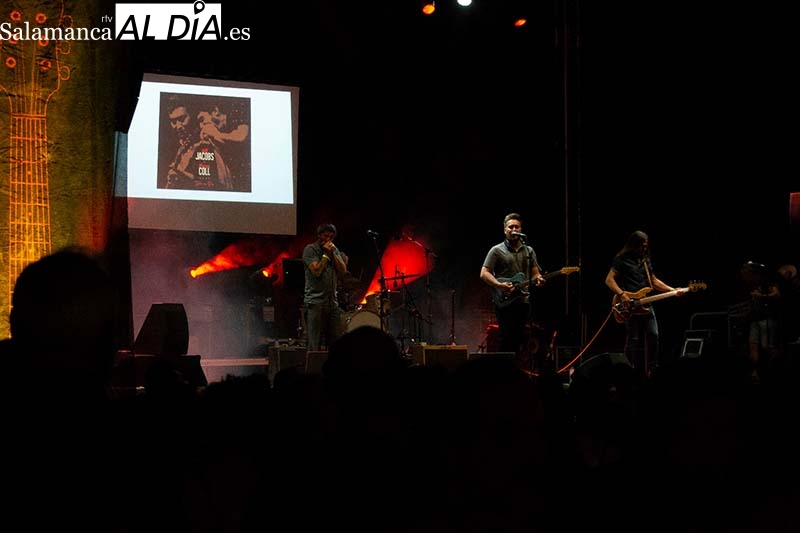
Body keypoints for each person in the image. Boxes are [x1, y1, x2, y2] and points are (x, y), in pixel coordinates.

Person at [605, 230, 682, 376]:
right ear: (633, 245)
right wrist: (622, 295)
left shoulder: (645, 260)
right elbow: (609, 280)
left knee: (654, 335)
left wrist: (673, 290)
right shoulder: (621, 258)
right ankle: (627, 372)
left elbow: (653, 281)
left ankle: (652, 370)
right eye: (641, 246)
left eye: (646, 246)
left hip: (646, 303)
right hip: (630, 305)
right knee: (633, 339)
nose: (643, 249)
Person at [480, 212, 545, 369]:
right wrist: (499, 285)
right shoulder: (496, 250)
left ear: (521, 229)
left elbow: (535, 272)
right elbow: (484, 273)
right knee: (507, 337)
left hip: (523, 301)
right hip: (504, 300)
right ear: (505, 230)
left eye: (516, 226)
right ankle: (503, 371)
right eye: (511, 227)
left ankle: (517, 370)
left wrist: (539, 279)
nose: (513, 229)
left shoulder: (528, 251)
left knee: (522, 338)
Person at [303, 223, 349, 351]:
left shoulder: (334, 249)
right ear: (319, 235)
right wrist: (325, 255)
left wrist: (333, 253)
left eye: (331, 237)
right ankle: (312, 369)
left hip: (332, 303)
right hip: (315, 302)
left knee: (335, 343)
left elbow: (343, 271)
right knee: (315, 343)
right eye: (325, 236)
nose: (328, 240)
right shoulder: (310, 249)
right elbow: (316, 271)